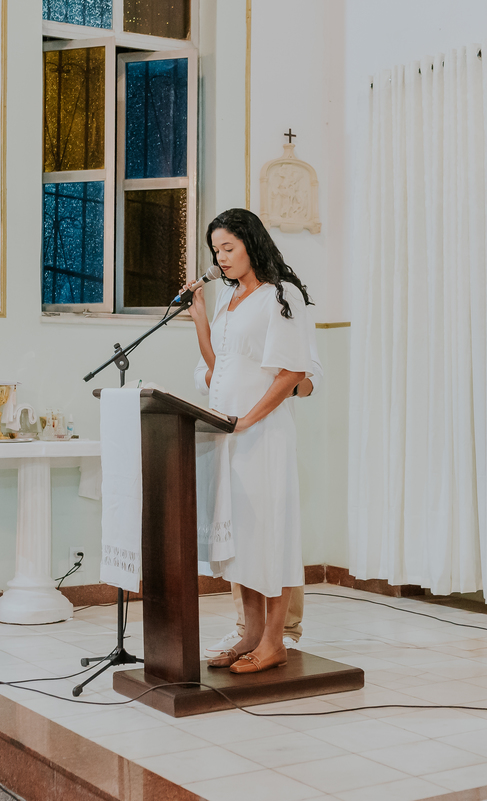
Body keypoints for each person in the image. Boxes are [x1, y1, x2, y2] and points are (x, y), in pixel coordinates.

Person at [185, 208, 317, 675]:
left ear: (250, 244)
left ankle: (275, 641)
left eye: (228, 248)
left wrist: (247, 421)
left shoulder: (281, 296)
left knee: (270, 536)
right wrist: (200, 316)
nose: (220, 258)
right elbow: (218, 365)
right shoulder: (230, 299)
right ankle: (250, 634)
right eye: (215, 250)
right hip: (230, 432)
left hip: (262, 435)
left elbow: (292, 374)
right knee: (243, 538)